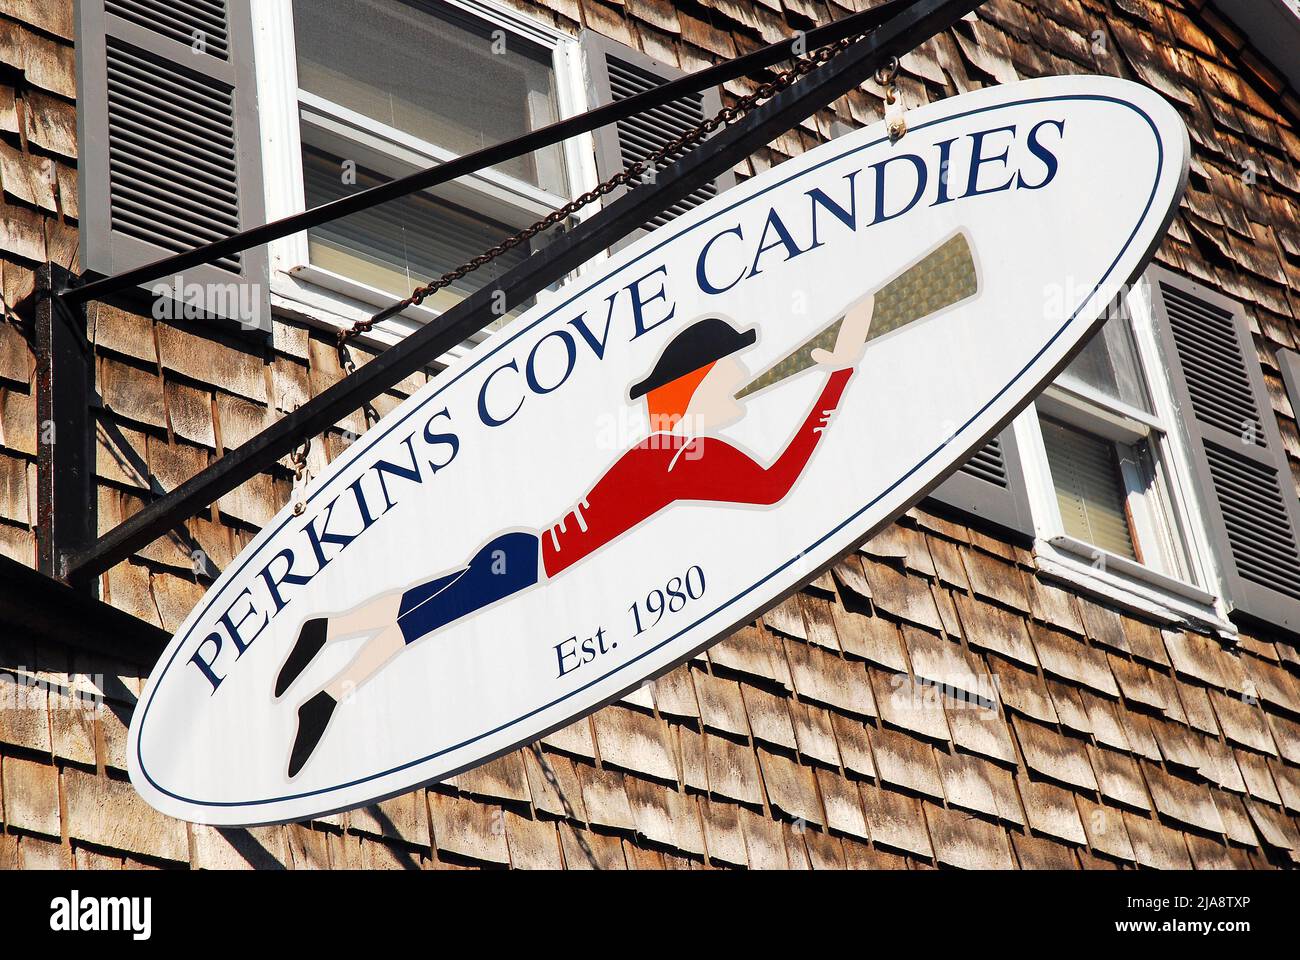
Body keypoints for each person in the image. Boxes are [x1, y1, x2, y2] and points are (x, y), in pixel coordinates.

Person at [277, 295, 875, 777]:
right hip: (529, 563)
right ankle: (328, 696)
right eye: (730, 380)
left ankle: (326, 629)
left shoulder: (673, 451)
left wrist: (834, 379)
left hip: (524, 554)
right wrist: (835, 382)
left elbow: (767, 484)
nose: (742, 388)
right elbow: (774, 485)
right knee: (420, 621)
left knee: (422, 603)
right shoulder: (680, 456)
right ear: (699, 387)